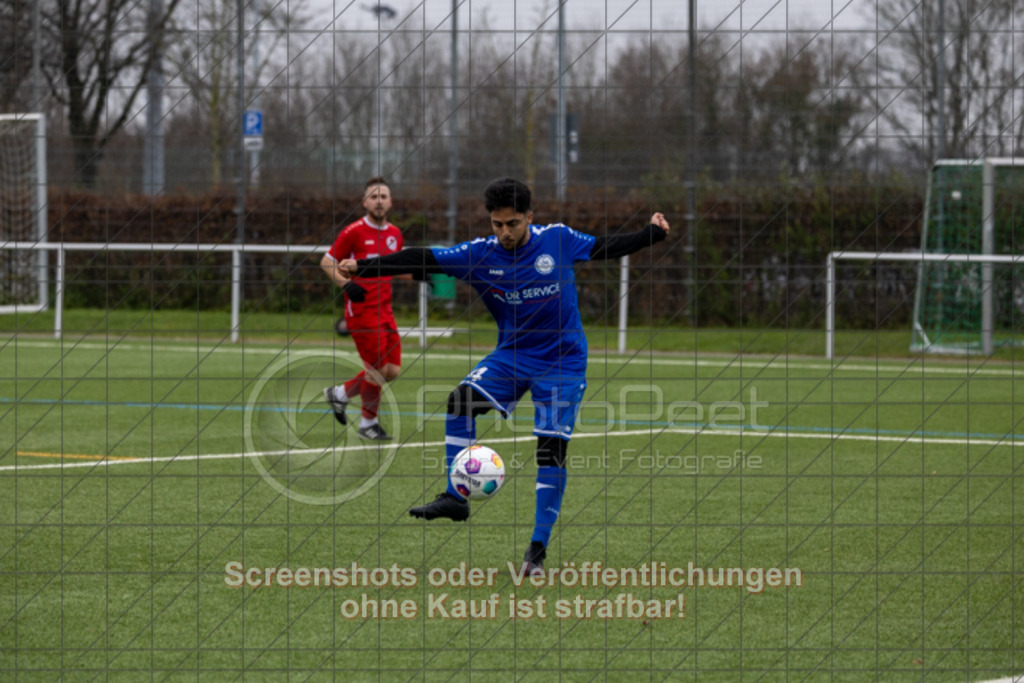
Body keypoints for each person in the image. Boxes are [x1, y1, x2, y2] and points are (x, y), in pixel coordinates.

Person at [337, 177, 670, 575]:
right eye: (497, 224)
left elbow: (605, 247)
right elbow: (422, 257)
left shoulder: (557, 239)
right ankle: (455, 497)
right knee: (460, 402)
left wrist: (651, 234)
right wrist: (364, 267)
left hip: (563, 361)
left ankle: (537, 549)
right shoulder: (481, 254)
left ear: (529, 217)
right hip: (512, 355)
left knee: (550, 449)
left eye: (513, 223)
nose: (505, 232)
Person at [320, 177, 407, 441]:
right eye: (374, 197)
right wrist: (346, 285)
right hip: (361, 311)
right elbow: (327, 262)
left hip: (385, 311)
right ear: (365, 202)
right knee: (377, 369)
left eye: (383, 197)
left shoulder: (395, 234)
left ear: (390, 202)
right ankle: (368, 424)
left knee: (392, 370)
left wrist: (419, 275)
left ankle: (339, 394)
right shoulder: (354, 232)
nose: (379, 201)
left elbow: (394, 267)